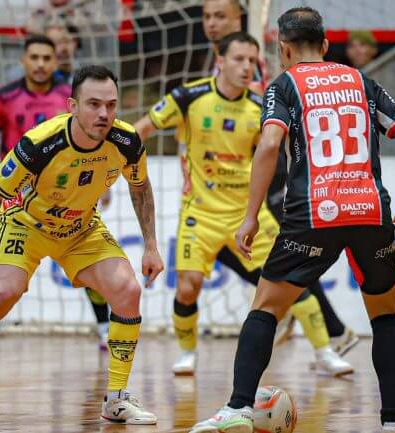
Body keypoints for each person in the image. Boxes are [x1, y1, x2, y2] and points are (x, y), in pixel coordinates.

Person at [190, 7, 395, 433]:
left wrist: (249, 216)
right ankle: (392, 422)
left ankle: (239, 408)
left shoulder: (284, 84)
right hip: (370, 211)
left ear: (282, 49)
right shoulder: (362, 81)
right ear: (325, 46)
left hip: (313, 214)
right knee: (384, 315)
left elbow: (268, 146)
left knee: (265, 307)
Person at [0, 65, 163, 426]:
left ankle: (116, 399)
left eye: (110, 105)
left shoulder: (127, 141)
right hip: (26, 225)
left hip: (80, 227)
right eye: (93, 104)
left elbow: (140, 187)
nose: (103, 114)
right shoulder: (40, 143)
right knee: (2, 292)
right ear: (72, 106)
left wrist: (151, 245)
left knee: (128, 290)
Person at [134, 32, 353, 377]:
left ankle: (325, 352)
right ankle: (188, 352)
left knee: (290, 282)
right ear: (219, 60)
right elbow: (142, 129)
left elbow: (284, 155)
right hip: (200, 214)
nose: (247, 66)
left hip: (246, 214)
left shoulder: (260, 106)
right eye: (238, 59)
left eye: (252, 60)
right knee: (188, 285)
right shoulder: (188, 97)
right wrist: (116, 164)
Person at [0, 35, 112, 351]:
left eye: (46, 58)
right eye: (34, 57)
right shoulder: (4, 96)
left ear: (55, 61)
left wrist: (102, 184)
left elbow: (95, 139)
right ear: (23, 60)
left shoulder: (68, 97)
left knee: (84, 255)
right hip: (13, 193)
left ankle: (104, 327)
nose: (40, 64)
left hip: (64, 194)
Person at [198, 0, 357, 356]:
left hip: (266, 165)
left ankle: (311, 319)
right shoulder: (219, 55)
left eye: (219, 16)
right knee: (240, 251)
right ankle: (304, 315)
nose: (211, 23)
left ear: (239, 17)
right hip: (231, 168)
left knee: (278, 253)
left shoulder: (247, 57)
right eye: (206, 16)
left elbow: (260, 106)